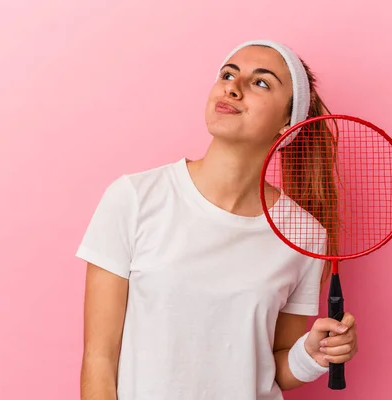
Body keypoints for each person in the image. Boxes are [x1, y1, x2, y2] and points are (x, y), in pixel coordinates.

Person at [76, 39, 359, 400]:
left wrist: (313, 355)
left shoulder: (303, 234)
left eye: (261, 82)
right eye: (228, 74)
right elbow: (99, 359)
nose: (233, 88)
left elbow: (274, 366)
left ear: (288, 120)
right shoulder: (134, 197)